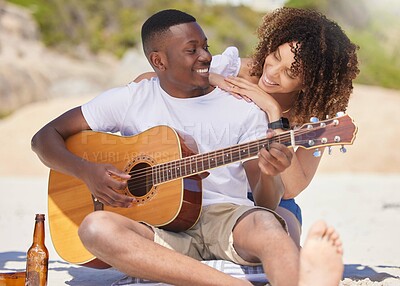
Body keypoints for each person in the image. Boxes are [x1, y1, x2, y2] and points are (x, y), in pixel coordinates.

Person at [32, 9, 343, 286]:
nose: (206, 56)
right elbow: (44, 138)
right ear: (158, 61)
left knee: (272, 223)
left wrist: (271, 171)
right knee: (95, 229)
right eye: (192, 50)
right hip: (157, 223)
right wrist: (87, 172)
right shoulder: (133, 97)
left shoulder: (245, 108)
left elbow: (268, 200)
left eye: (206, 47)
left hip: (227, 216)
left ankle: (301, 275)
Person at [133, 7, 360, 249]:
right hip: (216, 189)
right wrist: (212, 78)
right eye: (275, 56)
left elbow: (291, 189)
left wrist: (273, 114)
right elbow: (146, 79)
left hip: (268, 198)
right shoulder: (239, 70)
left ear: (310, 83)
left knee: (285, 239)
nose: (272, 72)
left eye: (290, 72)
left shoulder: (313, 116)